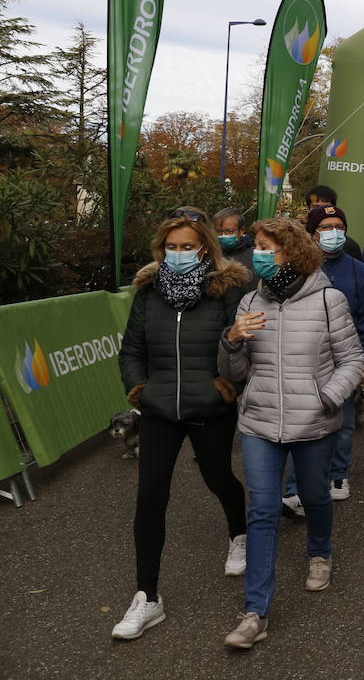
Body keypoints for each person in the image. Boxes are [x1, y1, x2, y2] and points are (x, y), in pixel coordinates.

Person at [218, 217, 364, 649]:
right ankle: (255, 613)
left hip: (314, 422)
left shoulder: (328, 300)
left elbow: (353, 361)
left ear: (292, 252)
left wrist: (326, 397)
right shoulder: (248, 304)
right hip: (260, 422)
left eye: (266, 246)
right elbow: (235, 374)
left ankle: (320, 551)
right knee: (262, 510)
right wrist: (231, 341)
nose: (257, 254)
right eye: (257, 246)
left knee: (316, 496)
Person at [113, 208, 250, 641]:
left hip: (209, 407)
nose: (177, 254)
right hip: (158, 411)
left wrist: (225, 387)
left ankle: (239, 532)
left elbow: (240, 347)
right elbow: (131, 350)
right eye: (170, 247)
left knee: (218, 478)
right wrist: (140, 390)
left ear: (205, 247)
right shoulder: (148, 293)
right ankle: (147, 597)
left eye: (186, 247)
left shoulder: (226, 290)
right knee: (149, 497)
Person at [280, 204, 364, 515]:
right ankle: (294, 489)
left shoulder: (359, 271)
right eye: (325, 227)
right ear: (312, 233)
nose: (332, 232)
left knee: (343, 423)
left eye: (338, 225)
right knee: (303, 426)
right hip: (304, 361)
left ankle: (338, 475)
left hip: (344, 361)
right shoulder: (296, 267)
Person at [304, 185, 363, 259]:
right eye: (316, 207)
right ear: (308, 209)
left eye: (326, 207)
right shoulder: (296, 242)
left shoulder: (349, 246)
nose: (321, 211)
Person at [214, 208, 258, 287]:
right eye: (219, 232)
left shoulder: (255, 257)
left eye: (229, 231)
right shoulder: (212, 256)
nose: (223, 235)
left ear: (241, 231)